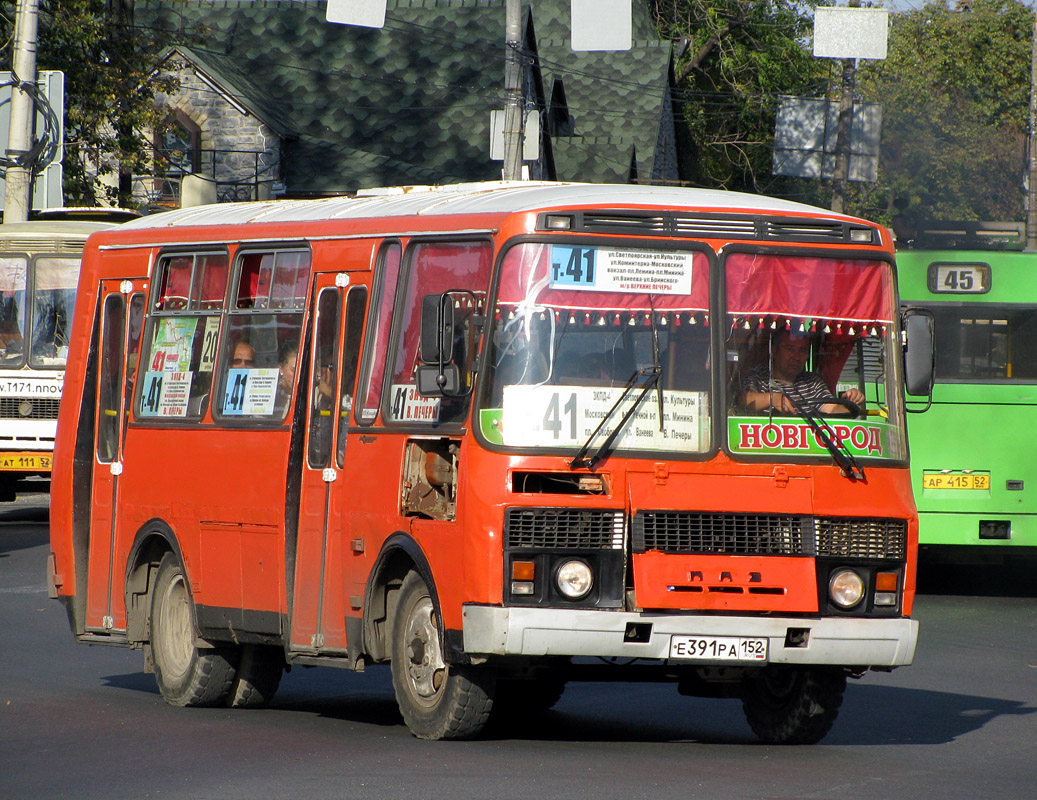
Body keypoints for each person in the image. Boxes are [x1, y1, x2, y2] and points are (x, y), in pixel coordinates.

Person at [738, 330, 864, 415]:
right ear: (774, 351)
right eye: (790, 349)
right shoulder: (757, 377)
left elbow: (832, 409)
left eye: (802, 350)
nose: (796, 357)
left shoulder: (812, 382)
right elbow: (742, 401)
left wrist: (849, 403)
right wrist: (771, 398)